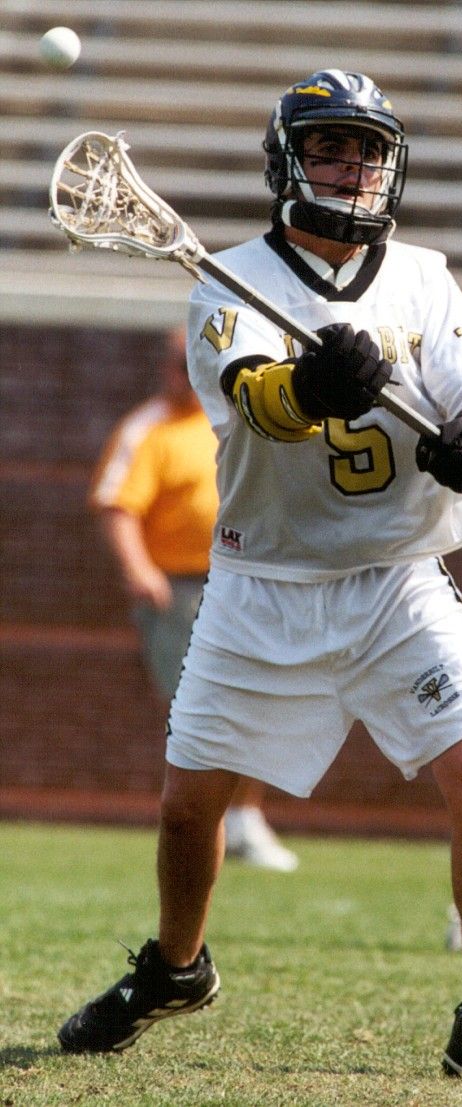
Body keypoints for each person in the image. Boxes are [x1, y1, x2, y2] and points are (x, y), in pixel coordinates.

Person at [57, 69, 462, 1087]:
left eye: (368, 151)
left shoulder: (422, 278)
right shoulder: (230, 281)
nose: (352, 168)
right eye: (330, 147)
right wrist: (311, 385)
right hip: (264, 581)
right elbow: (255, 400)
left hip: (397, 580)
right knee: (188, 808)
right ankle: (175, 967)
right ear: (287, 162)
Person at [88, 327, 299, 873]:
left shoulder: (236, 419)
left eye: (191, 363)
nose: (180, 374)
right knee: (196, 710)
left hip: (245, 579)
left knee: (256, 696)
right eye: (175, 362)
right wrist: (139, 568)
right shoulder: (148, 428)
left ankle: (244, 818)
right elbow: (116, 506)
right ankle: (199, 821)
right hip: (181, 587)